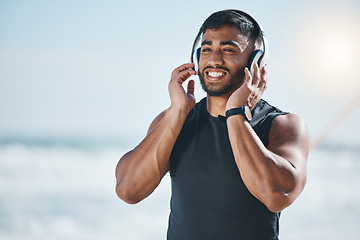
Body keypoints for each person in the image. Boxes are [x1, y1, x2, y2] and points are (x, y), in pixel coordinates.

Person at [115, 9, 310, 240]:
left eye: (228, 50)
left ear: (256, 61)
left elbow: (278, 196)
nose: (214, 59)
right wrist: (176, 112)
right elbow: (128, 190)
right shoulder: (176, 119)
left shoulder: (283, 125)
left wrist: (236, 113)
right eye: (207, 49)